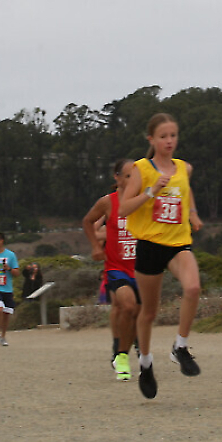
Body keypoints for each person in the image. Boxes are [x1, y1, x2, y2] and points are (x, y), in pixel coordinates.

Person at [118, 113, 203, 399]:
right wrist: (151, 192)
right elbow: (123, 208)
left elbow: (186, 192)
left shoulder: (184, 168)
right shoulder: (142, 169)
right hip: (150, 245)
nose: (169, 141)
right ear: (151, 139)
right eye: (163, 136)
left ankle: (180, 346)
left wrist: (193, 213)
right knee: (149, 312)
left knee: (193, 287)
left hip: (178, 243)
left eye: (173, 135)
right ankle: (145, 363)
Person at [83, 159, 140, 381]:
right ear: (117, 178)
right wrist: (96, 246)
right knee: (125, 306)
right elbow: (88, 222)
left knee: (136, 312)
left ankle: (130, 346)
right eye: (128, 176)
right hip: (117, 267)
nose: (133, 181)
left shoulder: (144, 201)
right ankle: (120, 352)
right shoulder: (108, 202)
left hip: (141, 268)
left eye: (136, 176)